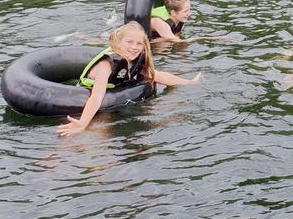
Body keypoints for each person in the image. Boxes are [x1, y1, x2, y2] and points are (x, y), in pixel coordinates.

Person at [56, 21, 201, 137]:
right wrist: (82, 123)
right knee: (98, 137)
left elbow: (159, 75)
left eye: (139, 44)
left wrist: (189, 82)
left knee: (171, 114)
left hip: (114, 101)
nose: (134, 47)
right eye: (129, 42)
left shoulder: (135, 60)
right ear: (118, 43)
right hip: (87, 101)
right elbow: (96, 97)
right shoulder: (107, 65)